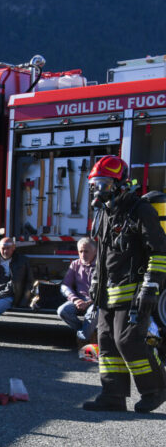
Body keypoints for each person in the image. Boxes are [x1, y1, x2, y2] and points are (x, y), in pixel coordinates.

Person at [84, 155, 166, 412]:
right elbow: (104, 254)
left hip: (134, 291)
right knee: (107, 342)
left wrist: (151, 286)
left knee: (128, 341)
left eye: (104, 185)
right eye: (95, 185)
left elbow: (159, 251)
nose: (99, 191)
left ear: (120, 184)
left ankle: (156, 389)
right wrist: (95, 284)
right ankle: (113, 395)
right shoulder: (106, 213)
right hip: (107, 293)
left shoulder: (139, 210)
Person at [58, 237, 97, 343]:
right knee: (63, 311)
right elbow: (65, 285)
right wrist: (75, 300)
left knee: (92, 314)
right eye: (81, 251)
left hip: (95, 301)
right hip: (79, 299)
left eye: (86, 251)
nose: (83, 255)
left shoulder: (101, 266)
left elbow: (105, 289)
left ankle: (82, 340)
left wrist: (89, 302)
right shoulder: (75, 264)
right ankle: (87, 332)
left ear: (95, 251)